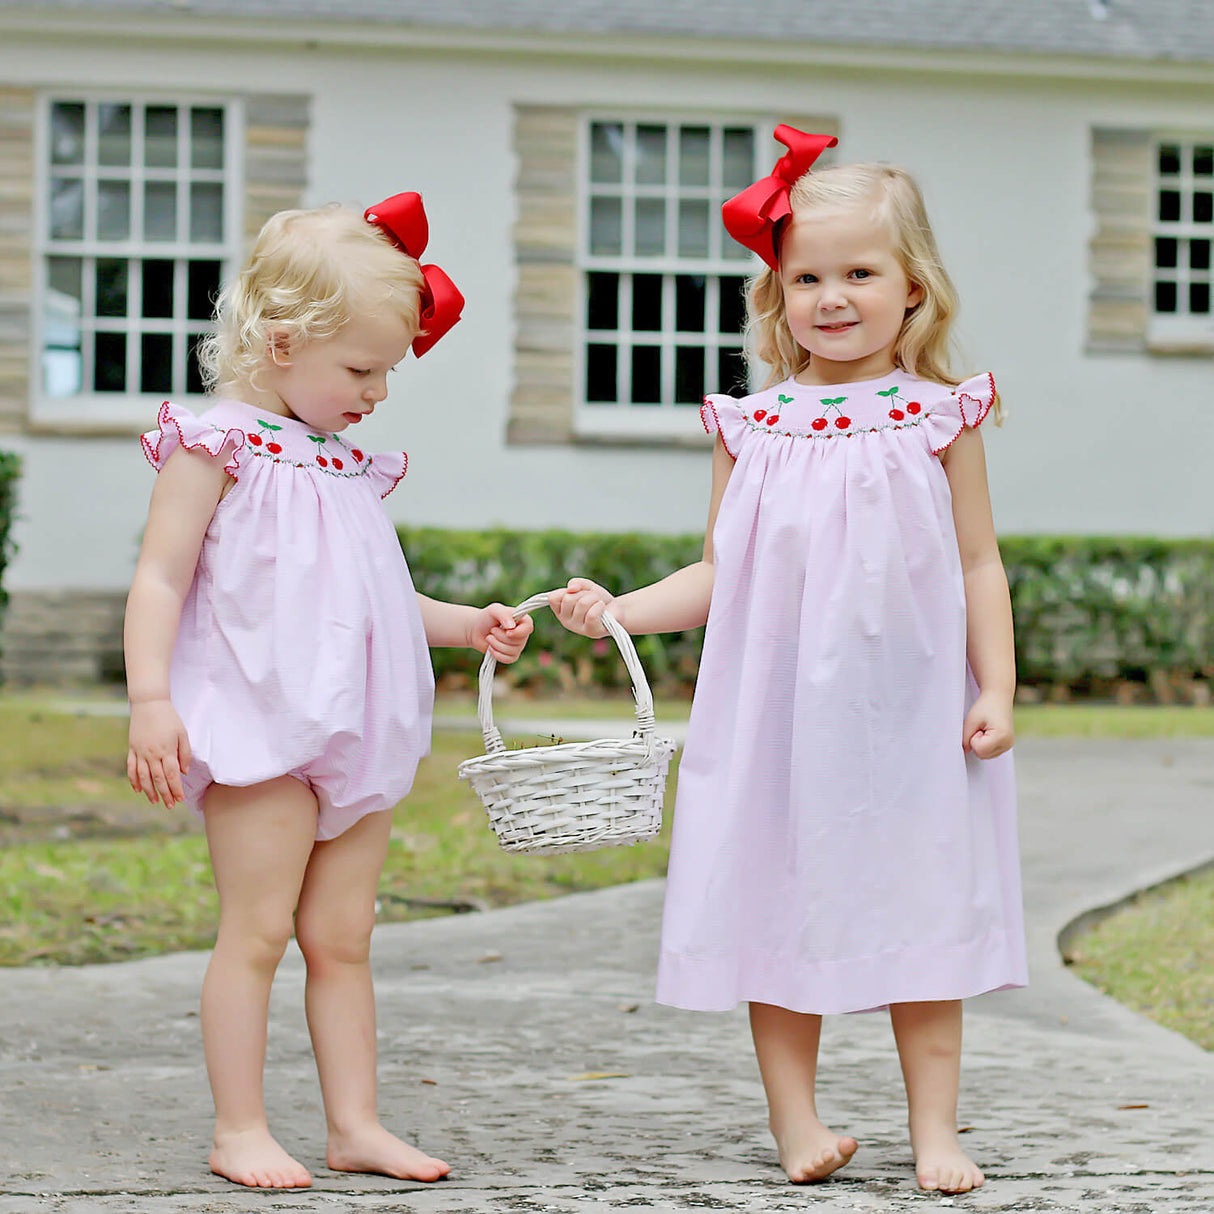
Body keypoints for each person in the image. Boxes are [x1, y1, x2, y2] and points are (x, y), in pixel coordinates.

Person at [551, 127, 1025, 1195]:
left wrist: (993, 684)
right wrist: (619, 610)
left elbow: (977, 559)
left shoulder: (938, 416)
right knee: (780, 896)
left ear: (912, 287)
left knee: (921, 901)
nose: (830, 295)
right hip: (776, 715)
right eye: (804, 274)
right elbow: (721, 570)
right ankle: (795, 1117)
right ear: (777, 291)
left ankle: (934, 1128)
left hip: (908, 712)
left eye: (858, 271)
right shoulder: (751, 424)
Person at [124, 193, 532, 1190]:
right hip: (262, 724)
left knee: (343, 937)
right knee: (258, 931)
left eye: (387, 367)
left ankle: (354, 1122)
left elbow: (375, 595)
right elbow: (160, 577)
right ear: (280, 341)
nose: (378, 390)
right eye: (360, 368)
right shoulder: (214, 445)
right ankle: (240, 1126)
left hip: (354, 734)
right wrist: (149, 700)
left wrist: (463, 622)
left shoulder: (346, 464)